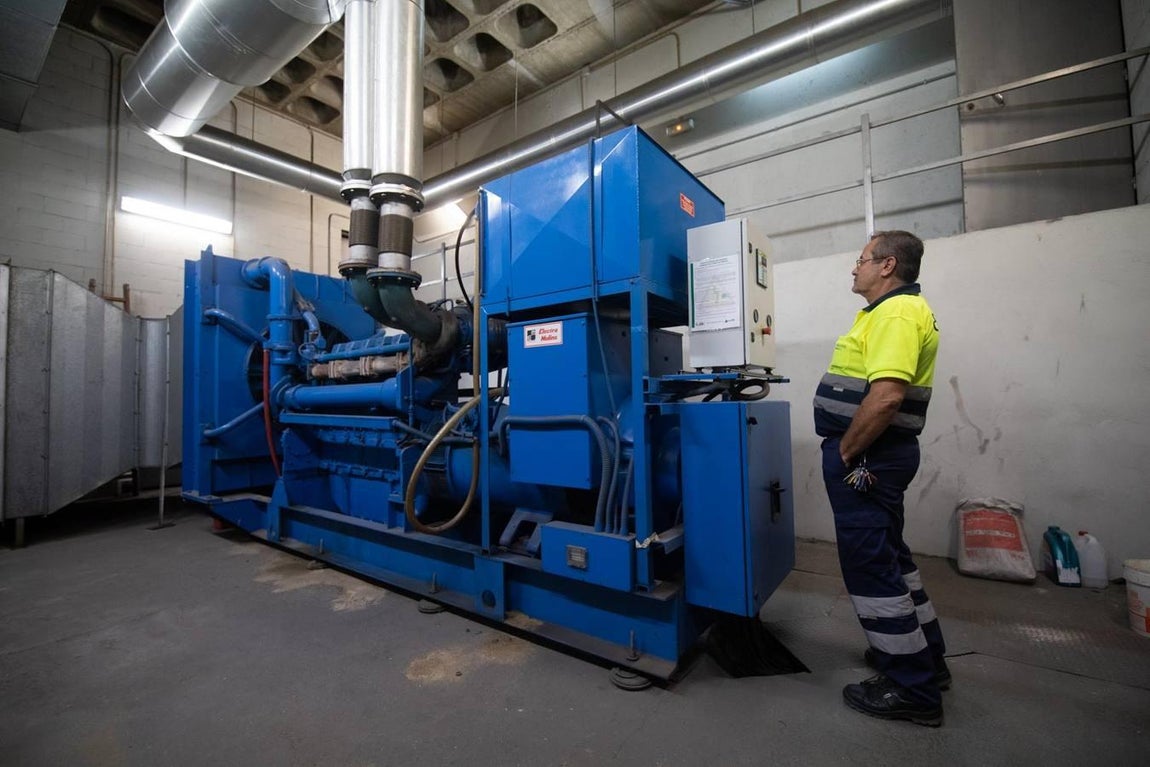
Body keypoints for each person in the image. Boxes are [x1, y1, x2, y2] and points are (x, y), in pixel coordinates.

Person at [813, 230, 948, 727]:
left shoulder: (896, 313)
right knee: (892, 557)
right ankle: (926, 658)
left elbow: (887, 396)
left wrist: (846, 451)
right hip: (878, 456)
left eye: (862, 259)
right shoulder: (891, 311)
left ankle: (911, 686)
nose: (855, 267)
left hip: (869, 458)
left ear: (887, 265)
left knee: (871, 567)